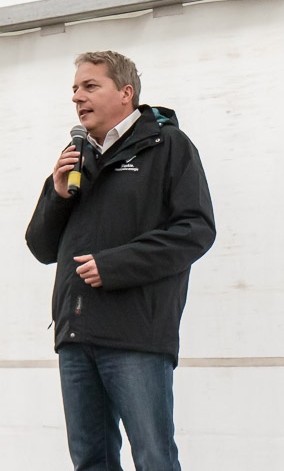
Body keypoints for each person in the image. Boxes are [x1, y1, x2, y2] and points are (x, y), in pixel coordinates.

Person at [25, 50, 216, 470]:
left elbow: (196, 230)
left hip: (136, 334)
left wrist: (114, 266)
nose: (77, 97)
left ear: (126, 93)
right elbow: (40, 247)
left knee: (153, 458)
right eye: (75, 89)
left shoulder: (168, 146)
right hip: (76, 334)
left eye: (90, 86)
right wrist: (56, 194)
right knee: (90, 460)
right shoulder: (76, 156)